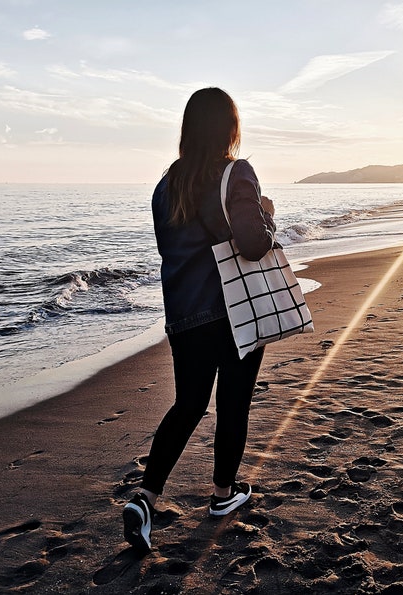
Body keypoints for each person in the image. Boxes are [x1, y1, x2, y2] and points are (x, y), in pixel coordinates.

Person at [122, 88, 276, 553]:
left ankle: (146, 498)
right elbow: (252, 243)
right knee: (233, 402)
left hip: (185, 314)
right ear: (229, 128)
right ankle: (223, 495)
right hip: (234, 310)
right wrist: (267, 215)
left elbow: (172, 252)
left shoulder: (165, 185)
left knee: (188, 404)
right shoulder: (236, 172)